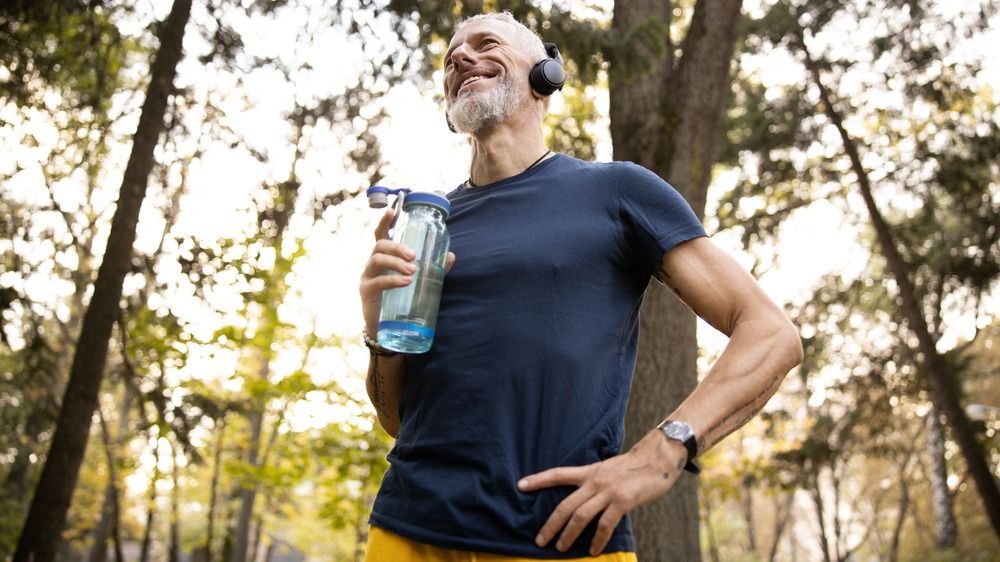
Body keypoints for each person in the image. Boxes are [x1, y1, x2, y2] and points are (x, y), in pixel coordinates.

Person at [358, 11, 803, 562]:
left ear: (544, 75)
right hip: (405, 532)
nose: (460, 59)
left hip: (562, 539)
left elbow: (771, 335)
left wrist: (664, 451)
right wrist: (379, 329)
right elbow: (398, 419)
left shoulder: (616, 192)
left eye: (486, 43)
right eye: (452, 57)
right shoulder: (432, 227)